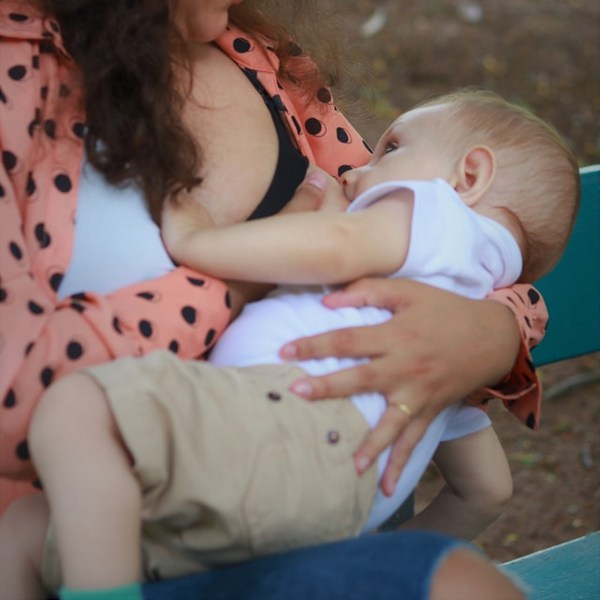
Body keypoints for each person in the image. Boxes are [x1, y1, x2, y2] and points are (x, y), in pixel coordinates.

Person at [0, 1, 545, 598]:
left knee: (460, 584)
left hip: (238, 502)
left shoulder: (253, 53)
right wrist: (235, 277)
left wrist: (491, 332)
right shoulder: (17, 72)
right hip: (110, 519)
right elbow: (14, 389)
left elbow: (435, 227)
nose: (370, 162)